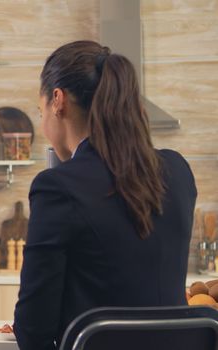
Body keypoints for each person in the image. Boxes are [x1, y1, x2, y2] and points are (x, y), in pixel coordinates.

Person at [13, 40, 197, 350]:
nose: (43, 121)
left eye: (40, 109)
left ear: (58, 101)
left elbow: (33, 328)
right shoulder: (178, 171)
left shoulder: (56, 187)